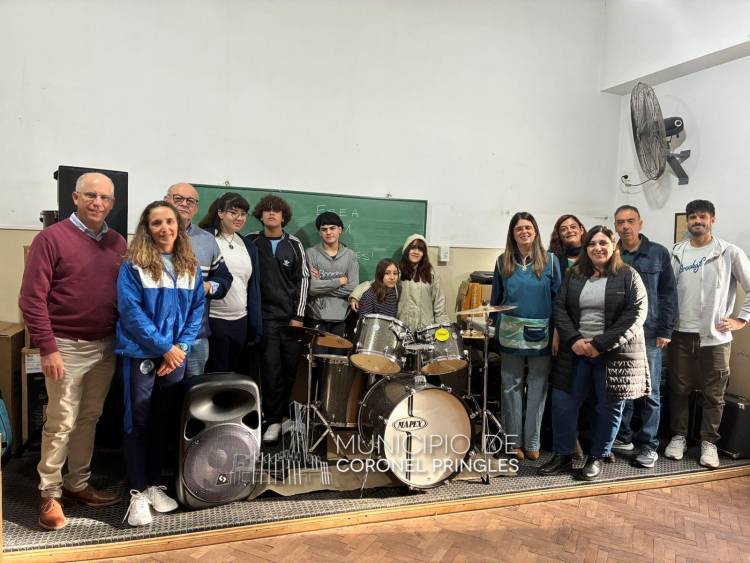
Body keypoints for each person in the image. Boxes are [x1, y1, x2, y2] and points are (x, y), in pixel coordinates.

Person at [19, 172, 126, 531]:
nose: (98, 202)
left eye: (105, 198)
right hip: (65, 346)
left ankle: (77, 484)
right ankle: (49, 492)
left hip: (105, 346)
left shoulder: (117, 242)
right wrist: (47, 348)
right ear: (76, 198)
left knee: (89, 418)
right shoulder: (51, 238)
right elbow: (31, 299)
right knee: (61, 421)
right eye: (91, 195)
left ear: (112, 203)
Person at [116, 201, 204, 526]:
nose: (165, 228)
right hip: (141, 354)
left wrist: (181, 347)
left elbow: (197, 309)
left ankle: (153, 485)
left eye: (170, 222)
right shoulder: (133, 265)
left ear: (179, 226)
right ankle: (137, 493)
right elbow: (131, 312)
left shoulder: (190, 265)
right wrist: (165, 348)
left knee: (163, 420)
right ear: (147, 228)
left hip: (175, 355)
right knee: (137, 422)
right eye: (157, 223)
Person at [539, 226, 650, 481]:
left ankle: (597, 456)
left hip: (614, 354)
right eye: (592, 244)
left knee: (608, 407)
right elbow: (560, 308)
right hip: (575, 352)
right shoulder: (574, 275)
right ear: (586, 248)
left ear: (614, 245)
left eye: (603, 243)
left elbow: (635, 315)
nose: (597, 248)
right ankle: (563, 455)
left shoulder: (628, 275)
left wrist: (599, 344)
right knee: (563, 403)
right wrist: (575, 340)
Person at [665, 200, 750, 469]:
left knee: (714, 394)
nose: (697, 221)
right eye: (692, 217)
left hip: (715, 337)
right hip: (680, 334)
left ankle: (709, 442)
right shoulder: (676, 252)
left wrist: (741, 319)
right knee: (679, 389)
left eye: (702, 216)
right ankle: (678, 436)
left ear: (712, 219)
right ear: (687, 221)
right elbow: (666, 291)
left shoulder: (729, 252)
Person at [490, 212, 561, 461]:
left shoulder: (551, 261)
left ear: (535, 231)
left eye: (528, 227)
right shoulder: (502, 262)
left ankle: (532, 442)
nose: (524, 232)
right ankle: (513, 442)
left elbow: (559, 301)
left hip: (541, 332)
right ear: (512, 233)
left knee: (538, 386)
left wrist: (557, 332)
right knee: (511, 387)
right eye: (519, 228)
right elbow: (496, 300)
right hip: (510, 332)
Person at [611, 205, 676, 468]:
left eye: (630, 221)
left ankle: (649, 445)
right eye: (620, 222)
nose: (625, 226)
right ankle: (624, 437)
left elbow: (668, 293)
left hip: (650, 333)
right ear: (615, 226)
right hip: (619, 334)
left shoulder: (658, 253)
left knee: (650, 391)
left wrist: (666, 329)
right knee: (623, 388)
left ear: (640, 223)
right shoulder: (612, 253)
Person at [248, 195, 309, 444]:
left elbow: (303, 280)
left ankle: (287, 418)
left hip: (291, 320)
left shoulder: (294, 244)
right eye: (267, 210)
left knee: (291, 370)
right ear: (261, 215)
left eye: (276, 211)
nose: (271, 214)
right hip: (264, 319)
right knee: (271, 370)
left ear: (284, 217)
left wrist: (298, 316)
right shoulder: (251, 242)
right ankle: (273, 420)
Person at [165, 183, 232, 377]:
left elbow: (224, 277)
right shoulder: (150, 237)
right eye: (178, 199)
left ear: (196, 208)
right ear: (166, 200)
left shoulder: (207, 240)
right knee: (163, 392)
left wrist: (208, 286)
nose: (184, 204)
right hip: (161, 338)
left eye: (190, 201)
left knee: (195, 392)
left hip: (197, 337)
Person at [197, 192, 262, 373]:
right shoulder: (205, 239)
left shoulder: (248, 246)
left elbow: (252, 287)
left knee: (233, 375)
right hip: (212, 320)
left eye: (243, 214)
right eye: (233, 213)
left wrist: (254, 324)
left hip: (240, 321)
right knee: (213, 375)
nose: (239, 218)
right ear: (220, 213)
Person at [305, 211, 359, 353]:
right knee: (317, 361)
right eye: (324, 229)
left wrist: (322, 285)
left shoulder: (350, 256)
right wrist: (339, 281)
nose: (328, 232)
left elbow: (352, 287)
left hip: (341, 319)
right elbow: (311, 288)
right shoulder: (311, 253)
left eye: (332, 228)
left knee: (336, 362)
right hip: (316, 318)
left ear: (340, 230)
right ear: (319, 232)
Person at [396, 234, 450, 331]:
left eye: (420, 249)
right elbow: (378, 284)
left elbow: (439, 305)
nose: (416, 252)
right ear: (406, 250)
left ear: (424, 253)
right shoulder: (396, 272)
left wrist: (444, 329)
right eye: (413, 248)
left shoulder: (432, 274)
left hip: (426, 331)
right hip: (401, 330)